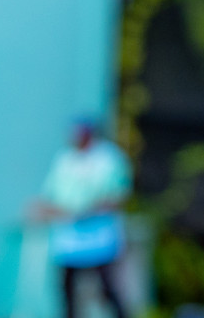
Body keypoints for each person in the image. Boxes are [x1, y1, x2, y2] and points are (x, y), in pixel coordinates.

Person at [33, 120, 132, 318]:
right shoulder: (65, 159)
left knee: (108, 290)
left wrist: (86, 211)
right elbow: (50, 195)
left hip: (99, 239)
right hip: (69, 240)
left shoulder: (108, 158)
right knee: (67, 292)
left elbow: (118, 196)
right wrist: (45, 210)